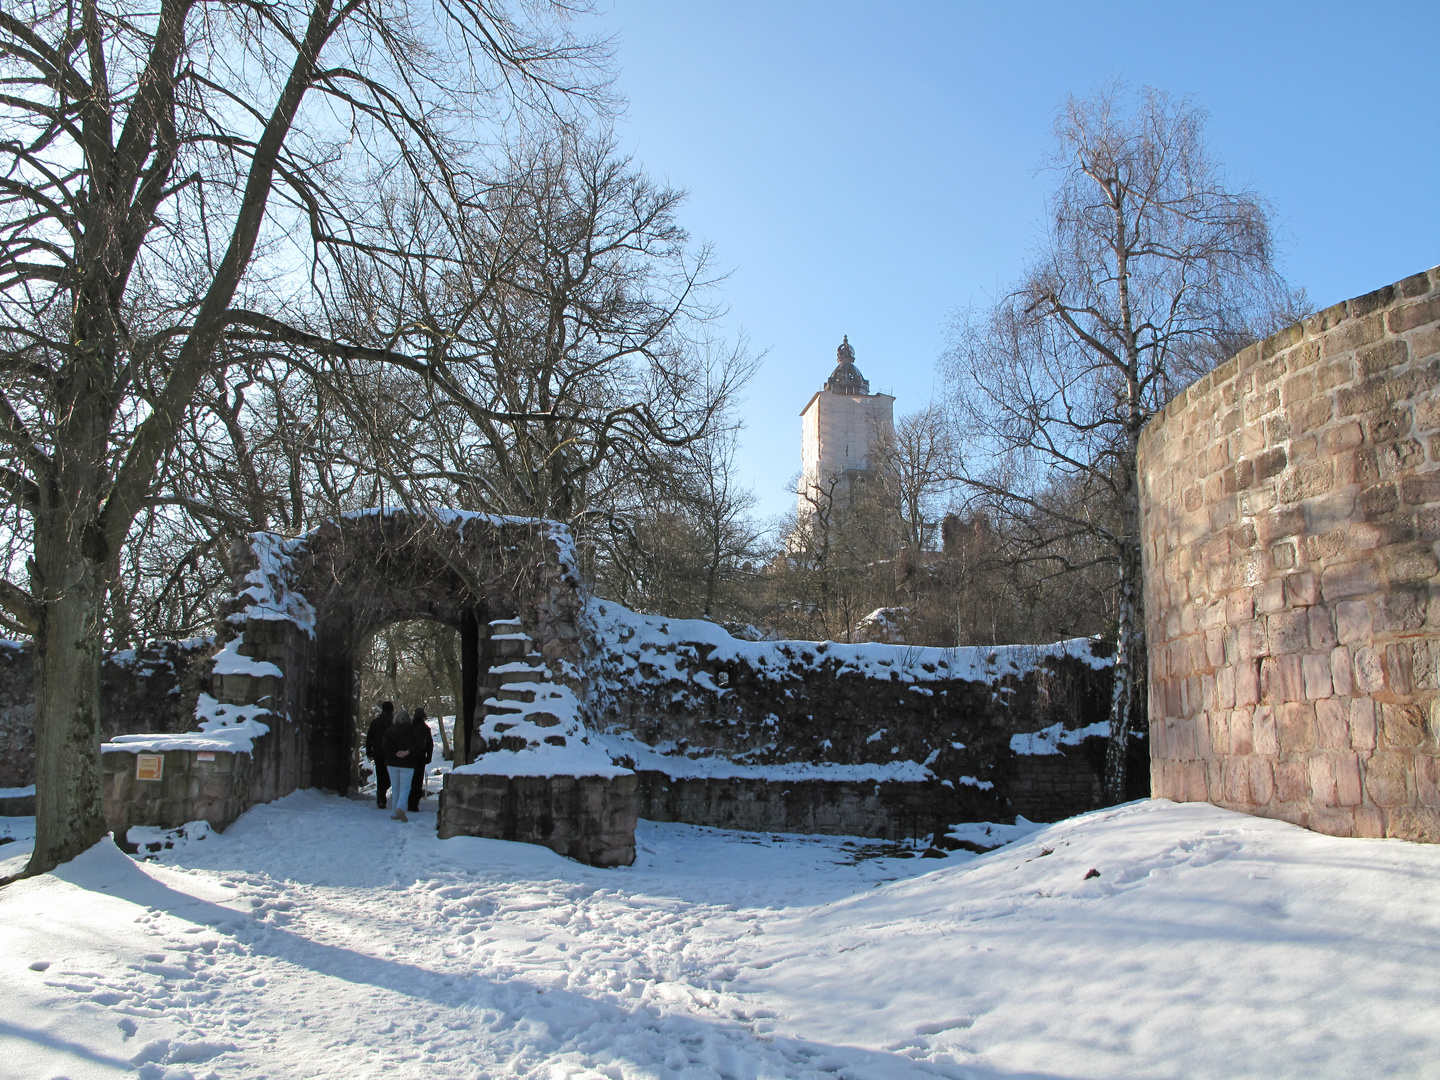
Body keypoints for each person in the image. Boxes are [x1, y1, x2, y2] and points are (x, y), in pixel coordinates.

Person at [382, 707, 425, 822]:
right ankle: (400, 808)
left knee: (395, 787)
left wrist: (395, 752)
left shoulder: (389, 731)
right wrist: (407, 751)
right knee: (405, 788)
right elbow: (419, 745)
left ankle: (394, 812)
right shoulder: (414, 731)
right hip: (408, 762)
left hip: (392, 762)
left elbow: (385, 745)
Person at [363, 701, 395, 809]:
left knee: (380, 775)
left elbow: (370, 738)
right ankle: (384, 792)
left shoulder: (375, 722)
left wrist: (369, 752)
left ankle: (381, 798)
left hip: (378, 753)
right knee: (390, 776)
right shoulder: (394, 722)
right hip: (391, 754)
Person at [408, 707, 435, 813]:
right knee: (418, 780)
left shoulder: (409, 728)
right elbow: (430, 745)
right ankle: (414, 803)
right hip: (420, 757)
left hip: (409, 756)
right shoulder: (425, 729)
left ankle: (408, 801)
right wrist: (429, 757)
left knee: (409, 779)